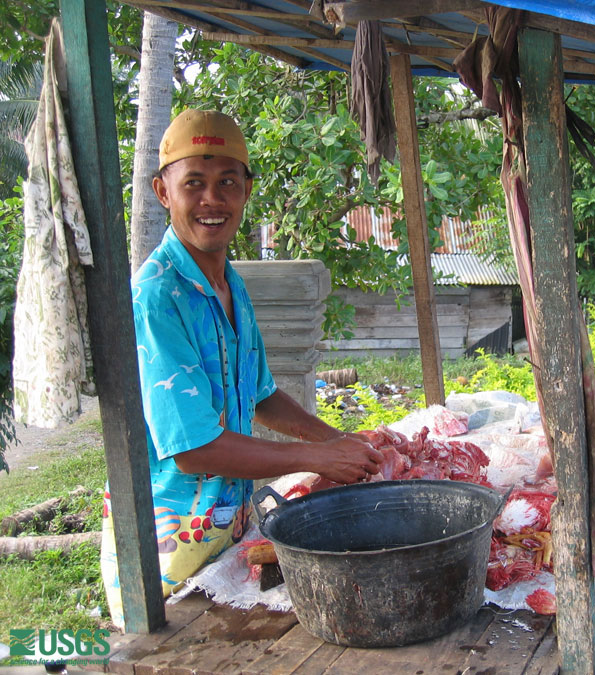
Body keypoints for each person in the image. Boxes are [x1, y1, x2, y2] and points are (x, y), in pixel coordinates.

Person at [100, 109, 384, 628]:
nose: (212, 200)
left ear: (247, 190)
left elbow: (260, 395)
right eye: (195, 184)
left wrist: (341, 441)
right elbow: (193, 449)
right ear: (163, 193)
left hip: (225, 541)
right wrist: (320, 458)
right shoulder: (155, 298)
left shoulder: (229, 283)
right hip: (163, 560)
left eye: (227, 182)